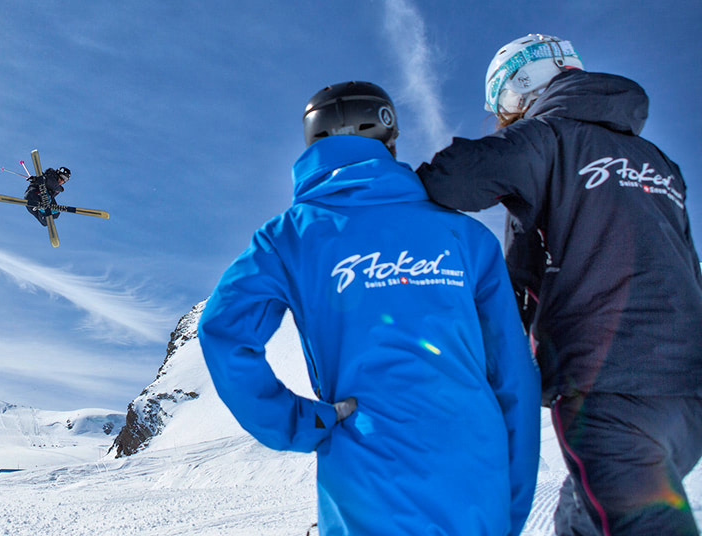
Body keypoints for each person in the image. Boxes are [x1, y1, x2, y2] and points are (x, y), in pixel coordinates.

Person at [198, 81, 539, 536]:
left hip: (365, 482)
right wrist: (509, 508)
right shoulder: (468, 237)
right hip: (478, 483)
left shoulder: (289, 238)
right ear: (390, 138)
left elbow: (223, 331)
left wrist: (298, 425)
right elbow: (514, 378)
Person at [416, 34, 702, 536]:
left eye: (504, 104)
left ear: (522, 87)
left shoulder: (546, 137)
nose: (508, 116)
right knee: (583, 516)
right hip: (690, 397)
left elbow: (452, 179)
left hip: (609, 391)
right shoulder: (660, 163)